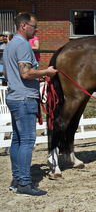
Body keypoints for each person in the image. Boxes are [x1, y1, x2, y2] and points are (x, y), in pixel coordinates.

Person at [4, 12, 57, 196]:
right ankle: (25, 184)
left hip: (13, 96)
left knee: (17, 140)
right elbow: (25, 73)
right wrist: (46, 72)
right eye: (34, 26)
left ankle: (17, 179)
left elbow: (8, 74)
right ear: (24, 25)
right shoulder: (24, 46)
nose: (36, 30)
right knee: (27, 141)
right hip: (24, 98)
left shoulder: (9, 46)